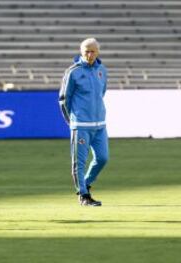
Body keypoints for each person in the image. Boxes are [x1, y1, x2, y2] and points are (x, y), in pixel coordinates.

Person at [59, 38, 109, 206]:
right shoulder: (72, 72)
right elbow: (64, 99)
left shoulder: (102, 70)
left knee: (102, 158)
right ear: (81, 52)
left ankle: (86, 184)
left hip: (100, 125)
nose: (89, 54)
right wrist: (72, 121)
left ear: (98, 52)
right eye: (86, 51)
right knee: (79, 162)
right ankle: (83, 195)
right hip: (81, 125)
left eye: (92, 51)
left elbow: (102, 92)